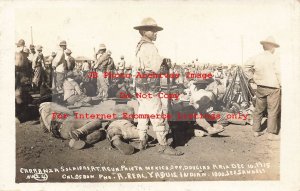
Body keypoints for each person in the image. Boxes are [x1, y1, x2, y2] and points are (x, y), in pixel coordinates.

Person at [133, 17, 183, 156]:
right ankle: (163, 145)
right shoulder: (150, 47)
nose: (155, 33)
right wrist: (166, 65)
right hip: (150, 86)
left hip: (140, 85)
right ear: (144, 31)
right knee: (157, 114)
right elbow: (157, 69)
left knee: (143, 114)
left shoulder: (139, 46)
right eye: (152, 30)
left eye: (155, 30)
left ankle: (142, 140)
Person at [243, 36, 281, 140]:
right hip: (274, 87)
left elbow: (245, 66)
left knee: (258, 109)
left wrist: (252, 78)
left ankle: (256, 130)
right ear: (272, 47)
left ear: (263, 46)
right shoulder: (275, 58)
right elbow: (278, 72)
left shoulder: (256, 57)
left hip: (260, 86)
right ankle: (271, 133)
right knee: (272, 110)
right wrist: (282, 84)